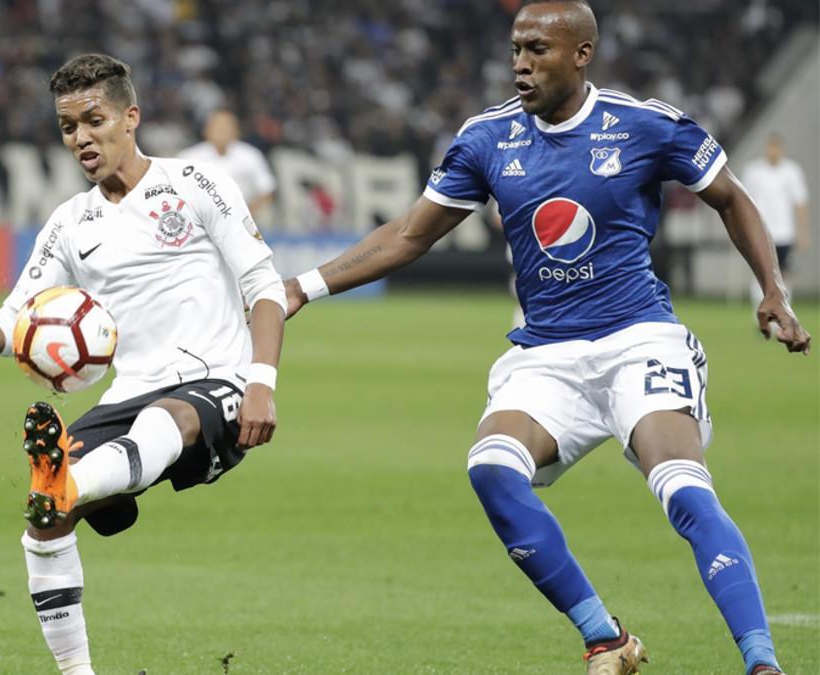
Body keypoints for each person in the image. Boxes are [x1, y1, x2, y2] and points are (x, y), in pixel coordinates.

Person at [283, 2, 810, 674]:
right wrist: (305, 286)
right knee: (491, 468)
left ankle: (762, 661)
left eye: (537, 49)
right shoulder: (487, 138)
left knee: (682, 489)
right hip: (546, 355)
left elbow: (731, 197)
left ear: (581, 54)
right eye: (515, 49)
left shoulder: (646, 124)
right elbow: (410, 235)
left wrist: (772, 288)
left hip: (638, 340)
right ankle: (606, 637)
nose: (520, 64)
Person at [0, 54, 286, 675]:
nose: (81, 138)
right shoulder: (71, 223)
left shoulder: (196, 184)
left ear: (131, 117)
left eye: (94, 120)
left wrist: (261, 382)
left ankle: (78, 477)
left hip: (216, 382)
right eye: (69, 127)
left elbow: (264, 286)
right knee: (45, 521)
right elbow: (10, 326)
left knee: (143, 435)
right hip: (133, 393)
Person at [742, 133, 810, 310]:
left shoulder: (792, 172)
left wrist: (802, 232)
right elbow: (744, 203)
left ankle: (786, 313)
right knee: (761, 272)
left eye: (776, 147)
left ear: (781, 149)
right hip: (761, 233)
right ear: (767, 148)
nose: (773, 151)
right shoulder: (754, 171)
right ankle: (761, 314)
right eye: (770, 147)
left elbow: (800, 203)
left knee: (785, 274)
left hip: (784, 233)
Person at [179, 109, 277, 222]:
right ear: (206, 130)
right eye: (217, 126)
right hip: (200, 218)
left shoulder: (251, 155)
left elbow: (267, 190)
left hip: (245, 216)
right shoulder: (188, 157)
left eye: (226, 126)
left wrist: (246, 214)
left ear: (236, 131)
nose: (222, 130)